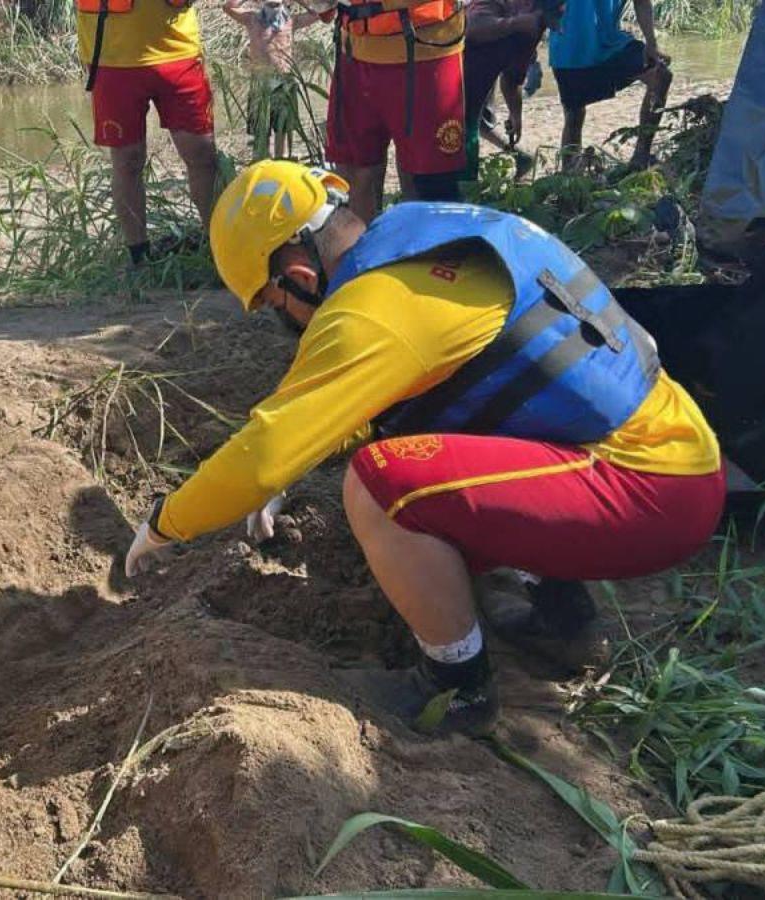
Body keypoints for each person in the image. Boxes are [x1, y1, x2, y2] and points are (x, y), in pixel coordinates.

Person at [124, 160, 725, 736]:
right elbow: (396, 401)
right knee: (433, 438)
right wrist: (293, 466)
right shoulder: (423, 236)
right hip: (675, 451)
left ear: (299, 278)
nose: (288, 323)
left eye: (277, 307)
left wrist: (163, 525)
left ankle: (456, 687)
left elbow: (261, 452)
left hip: (648, 493)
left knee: (382, 483)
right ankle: (564, 623)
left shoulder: (370, 312)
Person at [77, 0, 218, 265]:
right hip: (112, 58)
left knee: (203, 154)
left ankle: (218, 247)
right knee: (127, 161)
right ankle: (139, 258)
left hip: (179, 52)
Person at [325, 0, 467, 222]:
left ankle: (428, 254)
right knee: (353, 174)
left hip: (425, 50)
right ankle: (366, 253)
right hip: (353, 49)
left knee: (427, 181)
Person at [549, 0, 672, 171]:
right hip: (570, 48)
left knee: (661, 76)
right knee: (574, 116)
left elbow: (642, 2)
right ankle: (569, 175)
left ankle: (641, 155)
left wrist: (651, 44)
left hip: (610, 43)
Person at [463, 0, 559, 181]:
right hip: (452, 70)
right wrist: (515, 24)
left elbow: (511, 78)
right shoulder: (503, 6)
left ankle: (465, 188)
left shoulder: (534, 26)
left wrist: (516, 114)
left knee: (469, 129)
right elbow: (473, 27)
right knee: (466, 128)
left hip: (478, 83)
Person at [222, 0, 321, 159]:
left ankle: (281, 161)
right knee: (261, 132)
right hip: (260, 81)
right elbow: (228, 8)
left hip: (284, 82)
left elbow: (318, 13)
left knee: (283, 129)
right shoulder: (252, 19)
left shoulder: (290, 20)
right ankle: (262, 163)